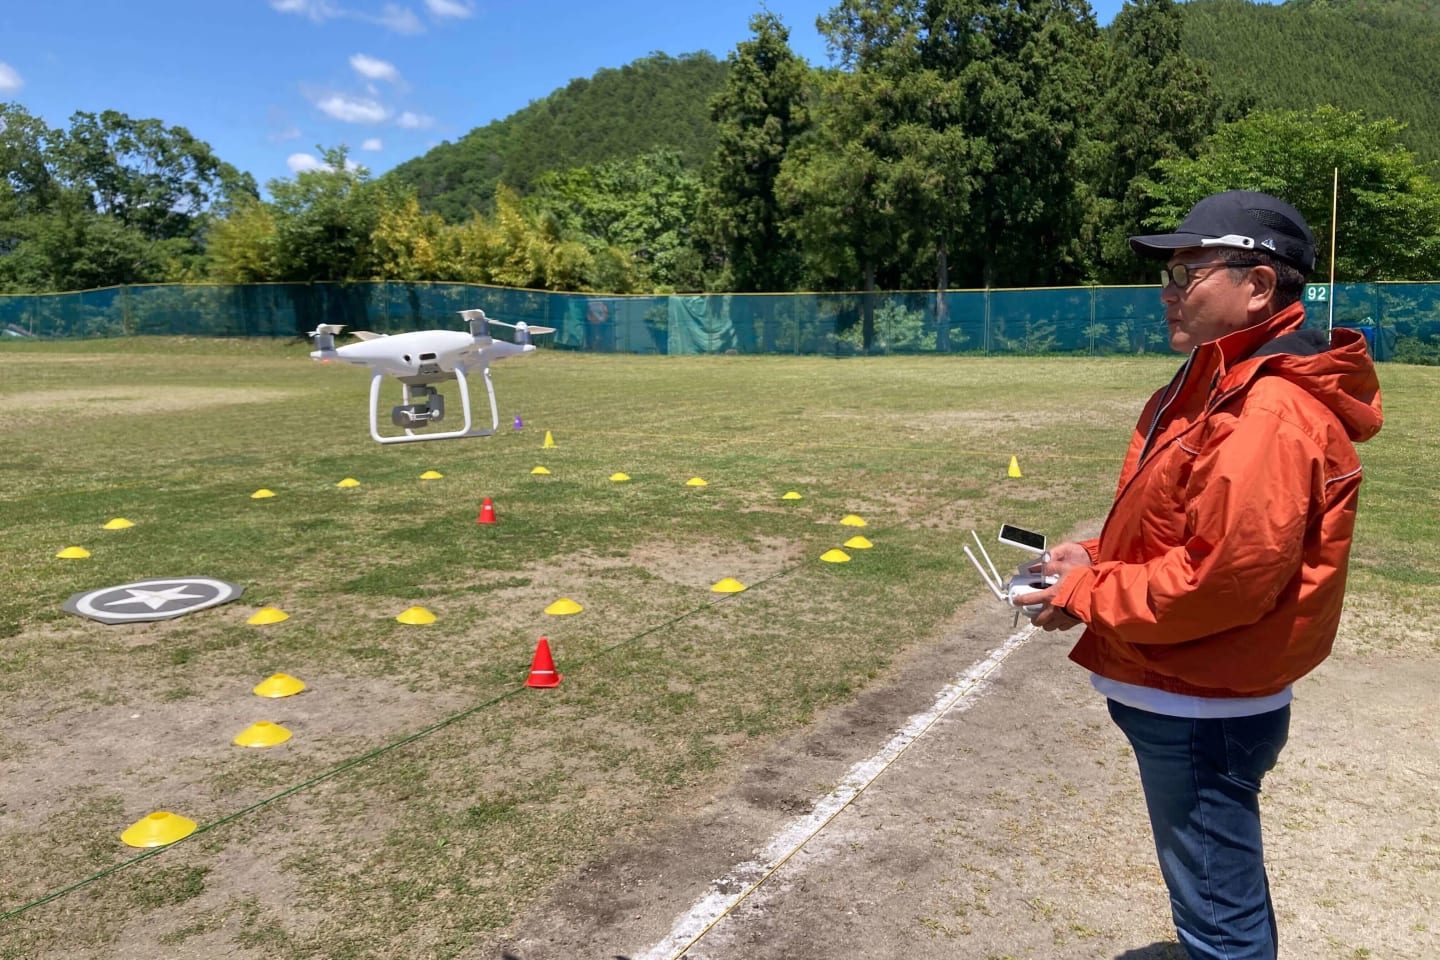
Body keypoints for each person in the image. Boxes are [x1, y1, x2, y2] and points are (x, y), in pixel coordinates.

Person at [1017, 190, 1383, 960]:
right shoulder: (1217, 383)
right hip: (1188, 687)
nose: (1170, 292)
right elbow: (1183, 532)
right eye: (1170, 274)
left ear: (1258, 285)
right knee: (1216, 887)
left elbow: (1221, 580)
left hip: (1202, 703)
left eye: (1190, 272)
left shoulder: (1267, 410)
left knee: (1220, 914)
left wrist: (1085, 593)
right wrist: (1094, 559)